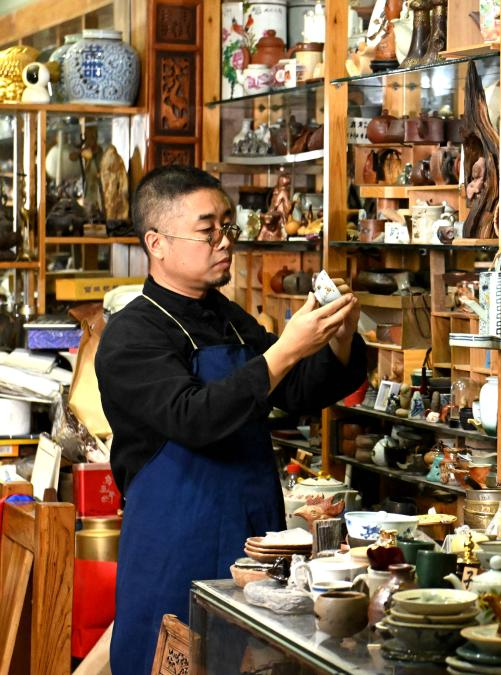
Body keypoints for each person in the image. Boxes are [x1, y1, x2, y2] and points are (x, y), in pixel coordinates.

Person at [95, 165, 366, 674]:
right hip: (175, 549)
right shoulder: (132, 335)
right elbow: (194, 417)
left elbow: (298, 391)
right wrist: (285, 349)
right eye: (208, 230)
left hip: (255, 545)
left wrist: (339, 334)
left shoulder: (229, 317)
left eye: (228, 226)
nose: (224, 241)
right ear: (157, 243)